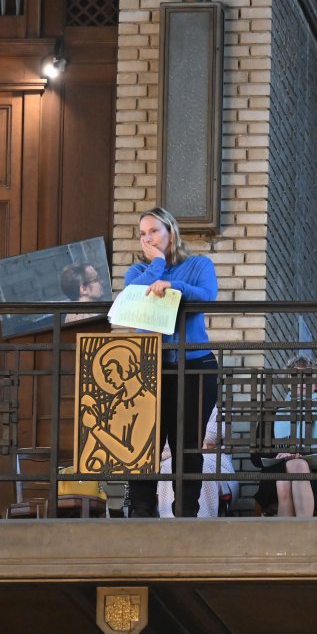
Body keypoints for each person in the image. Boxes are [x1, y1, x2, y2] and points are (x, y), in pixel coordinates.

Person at [123, 206, 219, 518]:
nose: (147, 237)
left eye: (153, 230)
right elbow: (133, 300)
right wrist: (158, 264)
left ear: (171, 232)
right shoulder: (137, 271)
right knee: (143, 442)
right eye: (142, 234)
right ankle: (141, 511)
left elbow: (208, 295)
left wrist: (172, 285)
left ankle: (186, 513)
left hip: (194, 366)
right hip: (149, 368)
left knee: (187, 443)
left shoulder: (199, 264)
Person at [251, 355, 317, 517]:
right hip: (277, 471)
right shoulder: (271, 414)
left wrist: (304, 456)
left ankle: (287, 538)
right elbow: (256, 457)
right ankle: (303, 533)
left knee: (293, 472)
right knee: (289, 473)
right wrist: (279, 455)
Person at [78, 338, 158, 474]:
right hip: (111, 468)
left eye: (108, 371)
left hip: (136, 471)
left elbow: (131, 456)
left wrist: (95, 427)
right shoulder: (117, 399)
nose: (106, 378)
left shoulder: (147, 402)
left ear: (124, 368)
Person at [157, 405, 237, 518]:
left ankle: (202, 526)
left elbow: (216, 434)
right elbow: (160, 448)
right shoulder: (169, 408)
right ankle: (170, 524)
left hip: (214, 462)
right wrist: (198, 443)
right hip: (174, 459)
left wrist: (179, 439)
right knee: (169, 466)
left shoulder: (221, 408)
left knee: (201, 466)